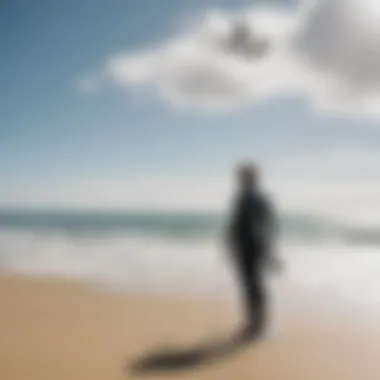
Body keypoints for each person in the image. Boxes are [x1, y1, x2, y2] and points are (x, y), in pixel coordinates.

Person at [226, 163, 280, 339]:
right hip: (254, 246)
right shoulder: (254, 198)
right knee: (253, 285)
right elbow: (270, 225)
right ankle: (256, 323)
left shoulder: (249, 198)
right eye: (239, 176)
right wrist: (270, 250)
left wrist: (231, 243)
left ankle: (258, 325)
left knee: (253, 286)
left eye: (242, 176)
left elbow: (240, 225)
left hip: (251, 247)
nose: (238, 179)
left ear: (250, 178)